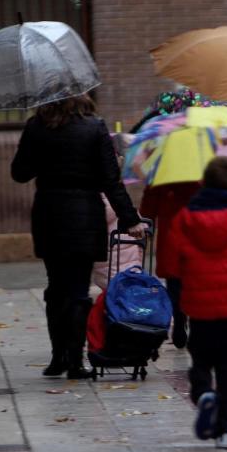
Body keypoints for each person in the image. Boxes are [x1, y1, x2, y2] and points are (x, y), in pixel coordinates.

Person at [11, 95, 146, 379]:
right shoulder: (94, 127)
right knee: (77, 291)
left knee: (55, 287)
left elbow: (20, 173)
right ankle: (75, 362)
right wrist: (129, 218)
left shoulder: (36, 126)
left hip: (49, 215)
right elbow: (111, 180)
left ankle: (56, 357)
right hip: (85, 215)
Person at [164, 156, 227, 450]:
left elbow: (170, 264)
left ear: (203, 183)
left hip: (200, 308)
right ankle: (226, 429)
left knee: (201, 360)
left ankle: (204, 392)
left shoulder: (184, 219)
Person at [140, 182, 201, 348]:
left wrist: (147, 224)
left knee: (174, 285)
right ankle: (196, 325)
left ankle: (179, 322)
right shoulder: (201, 170)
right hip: (197, 233)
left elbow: (148, 206)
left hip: (170, 235)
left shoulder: (162, 175)